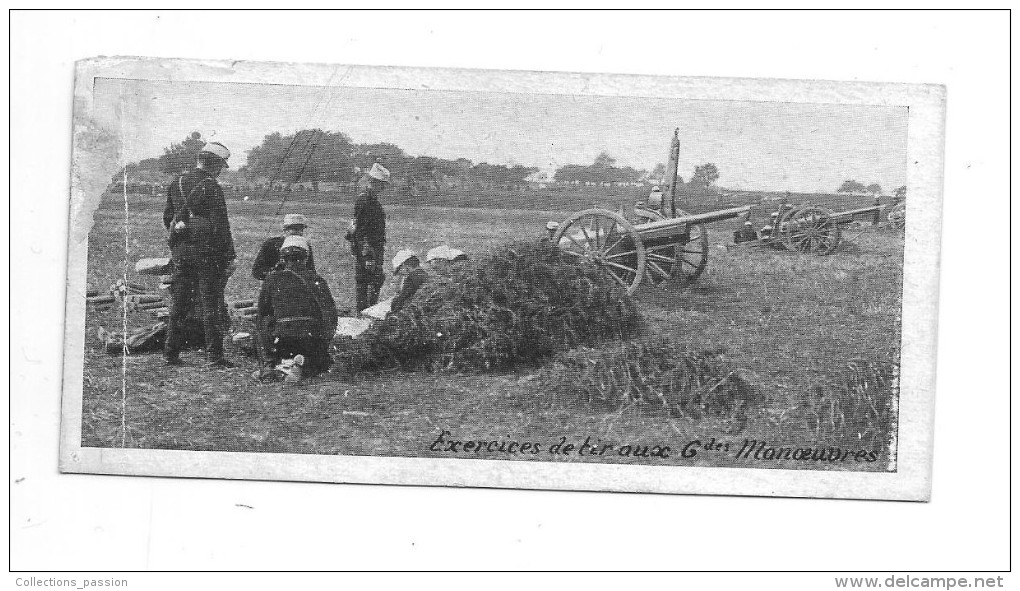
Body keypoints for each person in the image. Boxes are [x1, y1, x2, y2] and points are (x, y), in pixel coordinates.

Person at [161, 141, 237, 367]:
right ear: (214, 165)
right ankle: (214, 357)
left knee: (180, 303)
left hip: (182, 252)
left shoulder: (177, 182)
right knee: (210, 304)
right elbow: (220, 225)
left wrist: (183, 235)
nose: (221, 171)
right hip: (207, 253)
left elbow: (168, 218)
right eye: (221, 166)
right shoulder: (211, 187)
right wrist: (229, 256)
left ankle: (170, 353)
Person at [256, 235, 338, 379]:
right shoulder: (318, 280)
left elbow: (262, 314)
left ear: (282, 258)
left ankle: (271, 364)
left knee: (264, 321)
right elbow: (331, 316)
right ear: (306, 257)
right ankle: (306, 363)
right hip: (310, 341)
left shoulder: (272, 279)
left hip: (281, 341)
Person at [346, 163, 390, 312]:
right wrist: (368, 256)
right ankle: (365, 314)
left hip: (371, 249)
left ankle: (365, 312)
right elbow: (361, 231)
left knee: (369, 282)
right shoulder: (367, 201)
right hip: (369, 250)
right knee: (370, 282)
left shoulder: (369, 200)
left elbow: (354, 227)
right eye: (382, 184)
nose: (384, 188)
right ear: (375, 182)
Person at [252, 213, 316, 280]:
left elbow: (311, 271)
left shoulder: (305, 246)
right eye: (295, 229)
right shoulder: (271, 244)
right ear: (285, 230)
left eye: (301, 230)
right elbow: (257, 271)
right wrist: (274, 272)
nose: (299, 232)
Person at [390, 249, 428, 313]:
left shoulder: (411, 279)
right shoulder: (424, 274)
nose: (400, 273)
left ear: (405, 265)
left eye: (399, 270)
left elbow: (400, 302)